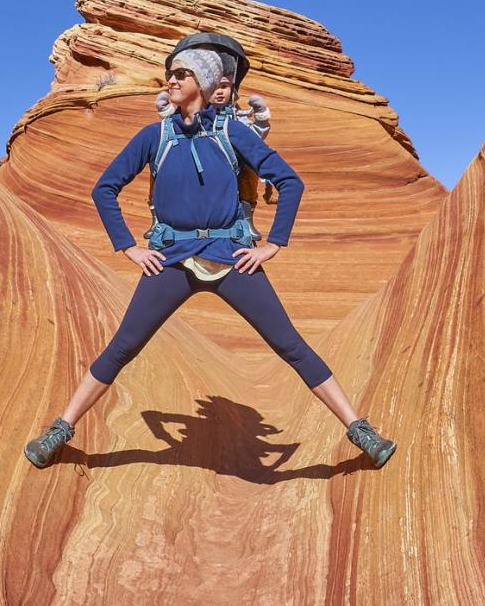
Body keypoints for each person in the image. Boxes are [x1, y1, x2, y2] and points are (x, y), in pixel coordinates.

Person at [24, 36, 396, 471]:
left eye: (182, 73)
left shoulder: (231, 131)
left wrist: (274, 244)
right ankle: (61, 429)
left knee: (290, 345)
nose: (172, 79)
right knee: (123, 346)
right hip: (173, 258)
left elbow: (290, 181)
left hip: (230, 255)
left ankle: (360, 429)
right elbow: (104, 188)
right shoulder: (154, 135)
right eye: (172, 73)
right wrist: (128, 248)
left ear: (201, 81)